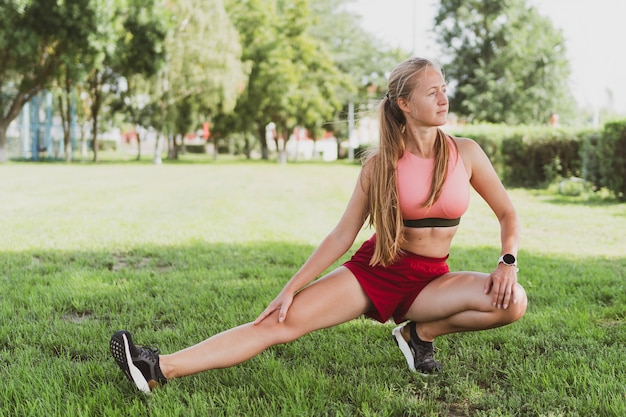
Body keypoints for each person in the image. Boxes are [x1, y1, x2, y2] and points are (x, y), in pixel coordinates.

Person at [110, 57, 528, 393]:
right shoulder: (379, 167)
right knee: (278, 325)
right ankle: (158, 366)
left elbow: (508, 213)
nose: (443, 98)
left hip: (430, 281)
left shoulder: (466, 153)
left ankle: (419, 334)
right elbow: (342, 236)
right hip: (376, 272)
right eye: (432, 91)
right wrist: (290, 288)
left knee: (513, 302)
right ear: (404, 103)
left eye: (444, 89)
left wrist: (506, 260)